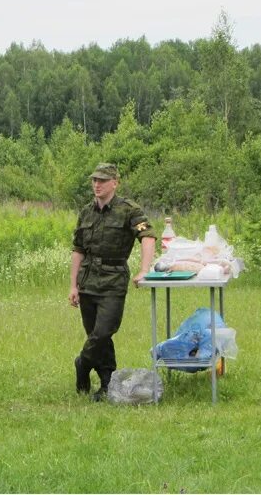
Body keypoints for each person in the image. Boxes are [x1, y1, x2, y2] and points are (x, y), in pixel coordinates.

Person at [68, 163, 156, 401]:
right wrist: (73, 285)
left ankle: (82, 363)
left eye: (103, 181)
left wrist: (144, 270)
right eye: (94, 180)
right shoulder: (86, 212)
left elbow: (147, 237)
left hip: (113, 280)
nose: (97, 184)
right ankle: (108, 384)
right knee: (97, 337)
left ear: (114, 183)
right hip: (88, 281)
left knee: (104, 331)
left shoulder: (129, 210)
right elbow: (77, 249)